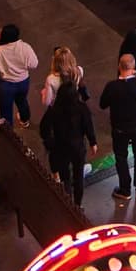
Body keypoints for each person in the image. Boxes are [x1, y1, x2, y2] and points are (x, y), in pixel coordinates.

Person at [97, 54, 136, 201]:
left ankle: (124, 189)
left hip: (119, 129)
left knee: (121, 157)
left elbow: (102, 104)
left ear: (119, 67)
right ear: (134, 67)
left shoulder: (112, 87)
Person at [38, 65, 96, 205]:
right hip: (77, 147)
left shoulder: (54, 111)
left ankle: (68, 201)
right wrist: (93, 142)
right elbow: (88, 125)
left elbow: (44, 128)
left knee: (65, 177)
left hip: (61, 148)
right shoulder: (81, 108)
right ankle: (78, 204)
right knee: (78, 176)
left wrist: (49, 143)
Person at [0, 24, 39, 127]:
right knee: (22, 101)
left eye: (0, 33)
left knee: (5, 111)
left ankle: (9, 132)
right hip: (23, 83)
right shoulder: (25, 47)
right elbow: (34, 64)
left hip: (5, 87)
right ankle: (24, 120)